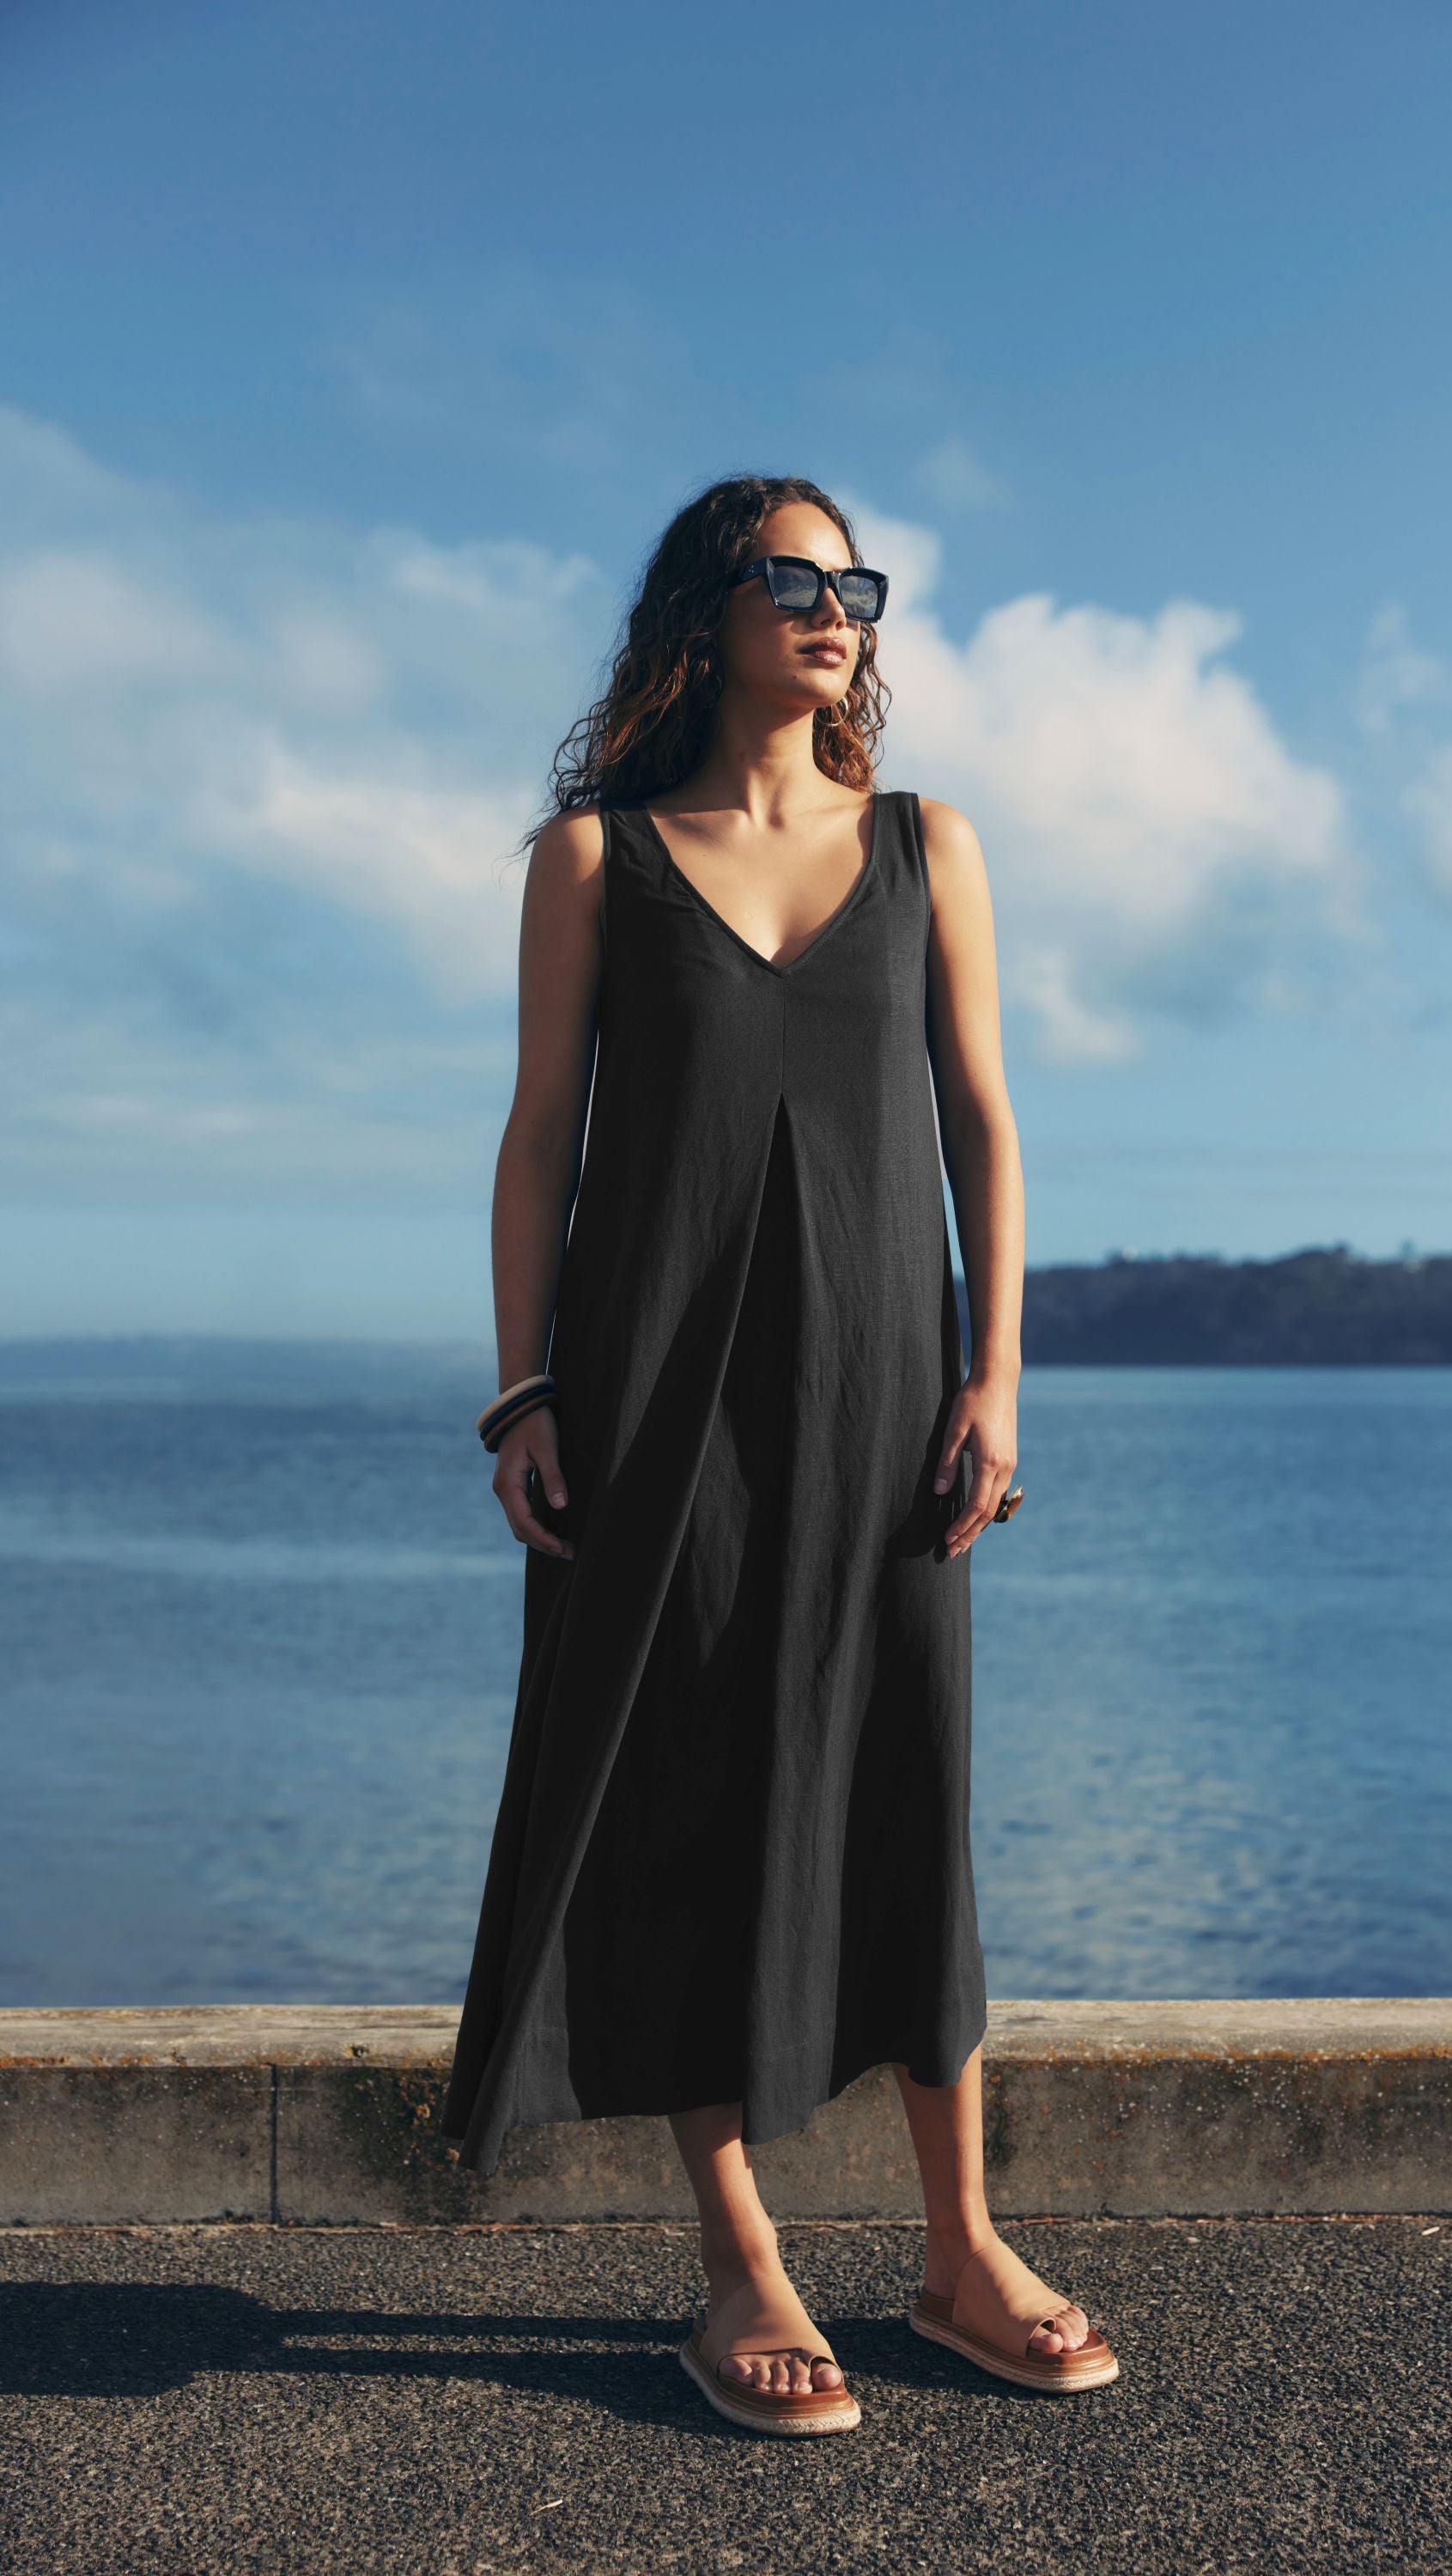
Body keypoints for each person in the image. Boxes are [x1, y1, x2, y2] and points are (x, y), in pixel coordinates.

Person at [440, 474, 1119, 2433]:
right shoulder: (595, 859)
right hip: (654, 1399)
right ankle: (739, 2260)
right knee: (679, 1801)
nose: (833, 610)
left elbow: (981, 1122)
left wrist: (996, 1379)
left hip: (889, 1394)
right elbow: (536, 1143)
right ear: (706, 610)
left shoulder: (928, 843)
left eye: (853, 584)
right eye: (789, 579)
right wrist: (524, 1391)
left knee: (909, 1779)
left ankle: (956, 2250)